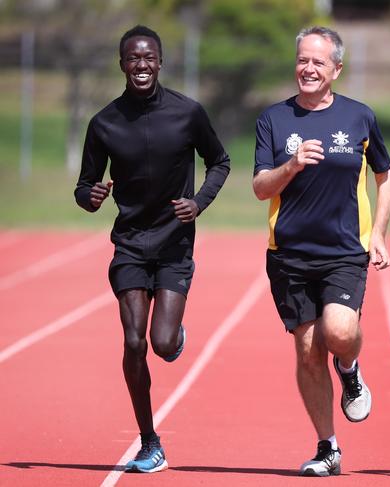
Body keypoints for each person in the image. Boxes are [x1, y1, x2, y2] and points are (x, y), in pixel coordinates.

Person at [74, 25, 230, 473]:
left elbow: (219, 161)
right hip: (129, 244)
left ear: (160, 62)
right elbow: (84, 186)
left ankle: (174, 333)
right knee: (133, 341)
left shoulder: (188, 113)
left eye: (148, 58)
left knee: (161, 344)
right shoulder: (103, 123)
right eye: (132, 58)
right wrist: (90, 197)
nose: (140, 65)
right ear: (121, 64)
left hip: (175, 242)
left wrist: (199, 202)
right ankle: (149, 440)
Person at [253, 26, 390, 477]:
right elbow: (259, 188)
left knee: (338, 332)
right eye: (302, 60)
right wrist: (291, 166)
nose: (307, 68)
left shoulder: (359, 117)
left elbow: (386, 174)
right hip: (289, 254)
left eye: (318, 62)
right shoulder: (274, 120)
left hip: (343, 251)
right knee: (308, 351)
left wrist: (379, 234)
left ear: (336, 68)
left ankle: (350, 369)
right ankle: (327, 447)